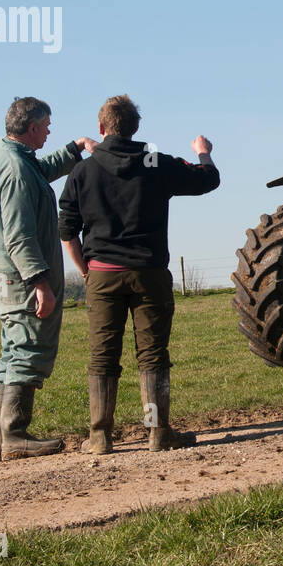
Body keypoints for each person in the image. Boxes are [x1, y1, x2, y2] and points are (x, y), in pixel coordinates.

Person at [58, 95, 220, 454]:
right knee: (152, 355)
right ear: (135, 129)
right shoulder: (155, 163)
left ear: (101, 129)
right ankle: (157, 433)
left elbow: (67, 228)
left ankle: (100, 437)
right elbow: (208, 179)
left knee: (103, 356)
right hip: (149, 274)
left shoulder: (82, 171)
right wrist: (203, 151)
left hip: (101, 275)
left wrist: (86, 270)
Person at [0, 97, 98, 459]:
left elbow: (40, 170)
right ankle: (14, 434)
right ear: (32, 127)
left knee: (12, 350)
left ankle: (4, 438)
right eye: (47, 124)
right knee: (28, 348)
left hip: (4, 277)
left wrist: (74, 149)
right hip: (22, 280)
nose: (50, 130)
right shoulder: (15, 171)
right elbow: (19, 237)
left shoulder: (7, 157)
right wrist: (40, 284)